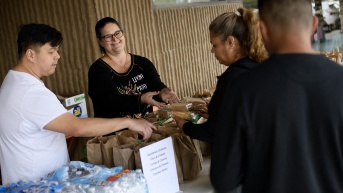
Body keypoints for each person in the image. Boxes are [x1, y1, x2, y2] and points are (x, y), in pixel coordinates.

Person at [210, 0, 343, 193]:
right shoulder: (340, 82)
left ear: (262, 28)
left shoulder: (243, 89)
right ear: (314, 24)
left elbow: (224, 179)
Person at [0, 23, 156, 185]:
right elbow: (77, 127)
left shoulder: (12, 81)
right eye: (51, 51)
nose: (57, 56)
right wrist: (128, 122)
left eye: (57, 51)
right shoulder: (30, 92)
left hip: (30, 182)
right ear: (31, 55)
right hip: (36, 185)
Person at [173, 7, 268, 143]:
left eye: (215, 45)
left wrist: (185, 126)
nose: (212, 51)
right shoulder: (259, 67)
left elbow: (215, 133)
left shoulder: (231, 78)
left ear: (230, 42)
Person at [88, 17, 179, 119]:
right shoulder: (97, 70)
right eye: (108, 36)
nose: (115, 39)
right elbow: (112, 101)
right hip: (116, 132)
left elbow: (155, 86)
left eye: (117, 33)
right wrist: (141, 99)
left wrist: (162, 92)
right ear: (100, 42)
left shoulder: (142, 63)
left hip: (146, 125)